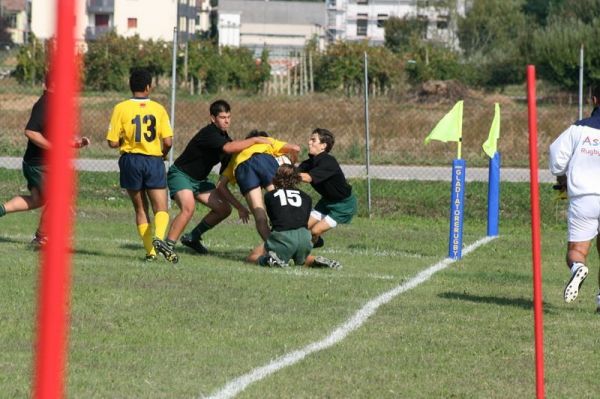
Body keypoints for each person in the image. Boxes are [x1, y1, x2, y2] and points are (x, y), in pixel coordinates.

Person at [164, 100, 270, 254]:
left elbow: (221, 185)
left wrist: (240, 207)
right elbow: (229, 147)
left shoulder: (224, 137)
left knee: (223, 209)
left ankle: (193, 237)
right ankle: (168, 246)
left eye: (228, 117)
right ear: (213, 118)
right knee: (188, 208)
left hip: (199, 182)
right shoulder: (210, 133)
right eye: (222, 117)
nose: (226, 120)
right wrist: (255, 140)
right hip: (181, 175)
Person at [0, 76, 90, 247]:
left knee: (37, 200)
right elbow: (31, 132)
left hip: (42, 163)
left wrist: (75, 143)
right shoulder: (46, 104)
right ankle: (41, 238)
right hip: (39, 164)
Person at [106, 68, 177, 263]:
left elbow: (112, 142)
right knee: (161, 207)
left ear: (131, 86)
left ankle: (150, 253)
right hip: (153, 160)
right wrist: (162, 154)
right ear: (148, 87)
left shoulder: (120, 108)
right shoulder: (158, 109)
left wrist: (127, 141)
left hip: (130, 160)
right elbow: (169, 142)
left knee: (140, 209)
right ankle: (159, 238)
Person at [549, 84, 600, 309]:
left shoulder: (579, 129)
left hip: (584, 198)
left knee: (576, 251)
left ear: (594, 100)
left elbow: (556, 157)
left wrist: (562, 176)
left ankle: (578, 268)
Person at [246, 164, 342, 269]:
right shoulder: (307, 197)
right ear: (297, 180)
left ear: (275, 179)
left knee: (253, 256)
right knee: (303, 260)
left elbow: (276, 220)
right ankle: (315, 260)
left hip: (283, 237)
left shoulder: (269, 196)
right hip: (305, 238)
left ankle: (269, 260)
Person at [216, 130, 300, 241]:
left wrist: (240, 207)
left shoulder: (237, 155)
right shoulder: (267, 141)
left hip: (242, 168)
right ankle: (290, 239)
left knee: (260, 217)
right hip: (263, 160)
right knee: (281, 203)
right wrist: (293, 162)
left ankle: (274, 249)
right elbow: (296, 148)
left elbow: (220, 186)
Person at [297, 128, 357, 249]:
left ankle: (311, 245)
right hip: (326, 202)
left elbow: (307, 178)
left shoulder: (328, 161)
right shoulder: (310, 162)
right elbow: (294, 172)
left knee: (315, 231)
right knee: (302, 226)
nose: (309, 142)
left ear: (323, 146)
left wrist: (287, 174)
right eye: (310, 139)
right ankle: (312, 242)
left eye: (313, 140)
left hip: (343, 205)